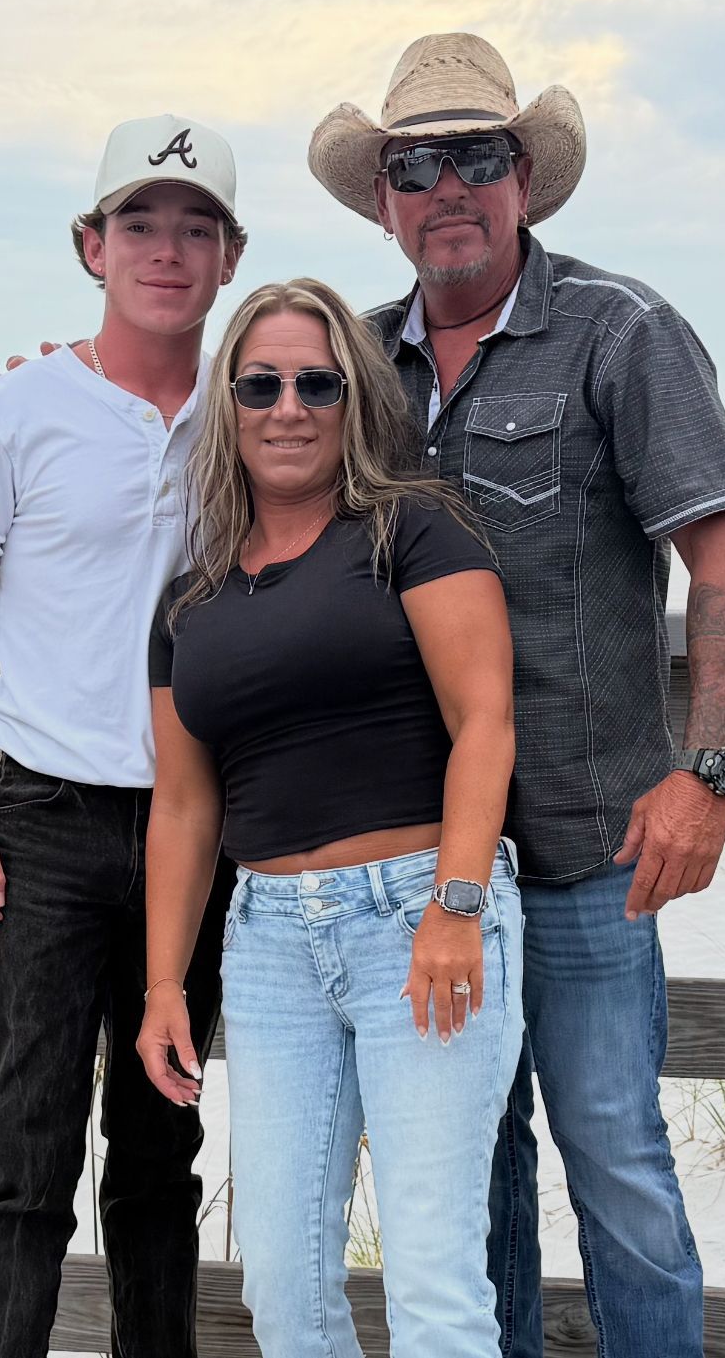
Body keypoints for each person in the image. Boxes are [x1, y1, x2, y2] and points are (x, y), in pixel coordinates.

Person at [308, 33, 725, 1358]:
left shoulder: (620, 331)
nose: (445, 187)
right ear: (382, 196)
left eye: (474, 156)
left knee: (615, 1161)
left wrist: (709, 772)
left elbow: (722, 554)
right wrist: (68, 393)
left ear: (524, 179)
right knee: (465, 1185)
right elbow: (243, 477)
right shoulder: (356, 364)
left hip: (585, 846)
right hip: (422, 862)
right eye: (413, 164)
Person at [0, 114, 246, 1358]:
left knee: (161, 1160)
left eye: (195, 227)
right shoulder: (10, 411)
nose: (167, 250)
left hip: (197, 825)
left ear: (229, 256)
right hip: (44, 822)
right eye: (140, 224)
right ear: (91, 247)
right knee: (27, 1158)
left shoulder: (258, 413)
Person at [137, 278, 523, 1358]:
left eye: (319, 381)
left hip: (419, 914)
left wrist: (453, 902)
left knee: (434, 1278)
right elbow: (183, 802)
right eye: (260, 384)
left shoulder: (415, 529)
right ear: (229, 405)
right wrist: (166, 984)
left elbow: (484, 721)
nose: (288, 405)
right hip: (266, 944)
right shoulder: (190, 600)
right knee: (282, 1281)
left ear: (355, 397)